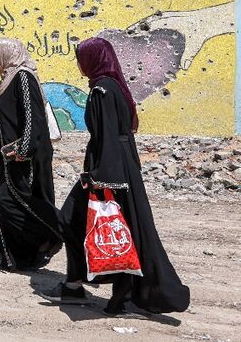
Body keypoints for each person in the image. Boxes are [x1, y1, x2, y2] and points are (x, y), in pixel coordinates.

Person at [41, 37, 190, 315]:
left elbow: (107, 135)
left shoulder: (101, 91)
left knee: (74, 220)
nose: (78, 64)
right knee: (122, 227)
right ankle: (90, 287)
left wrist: (100, 178)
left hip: (108, 169)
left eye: (81, 58)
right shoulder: (114, 86)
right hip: (121, 165)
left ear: (93, 59)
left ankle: (97, 287)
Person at [0, 37, 63, 270]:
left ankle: (52, 235)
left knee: (13, 200)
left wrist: (24, 149)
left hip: (24, 156)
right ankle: (19, 254)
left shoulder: (22, 77)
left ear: (6, 55)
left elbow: (33, 116)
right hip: (8, 156)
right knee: (0, 196)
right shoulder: (10, 79)